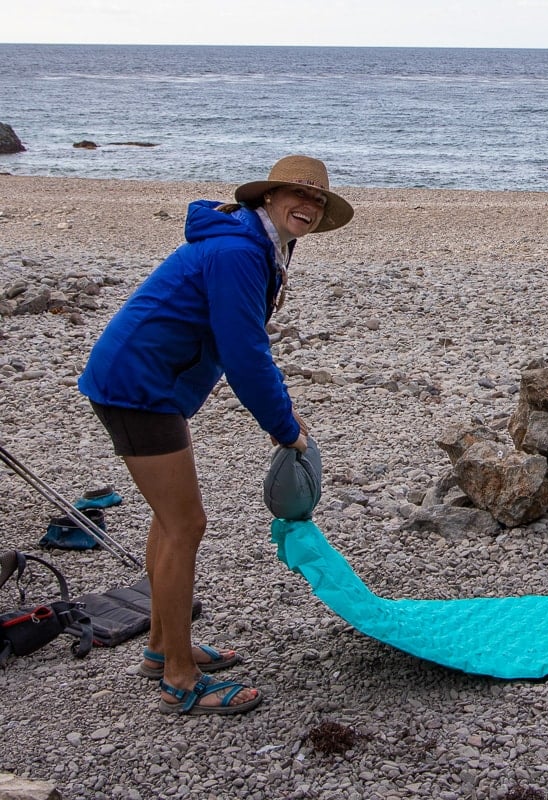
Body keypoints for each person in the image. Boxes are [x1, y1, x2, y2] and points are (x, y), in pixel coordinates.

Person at [78, 155, 354, 715]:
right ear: (268, 198)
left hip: (146, 381)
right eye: (298, 194)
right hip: (138, 385)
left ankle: (161, 647)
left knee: (168, 518)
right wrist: (285, 428)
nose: (309, 205)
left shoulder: (259, 242)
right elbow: (244, 351)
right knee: (186, 524)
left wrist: (283, 414)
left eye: (318, 200)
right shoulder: (238, 251)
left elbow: (236, 342)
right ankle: (179, 679)